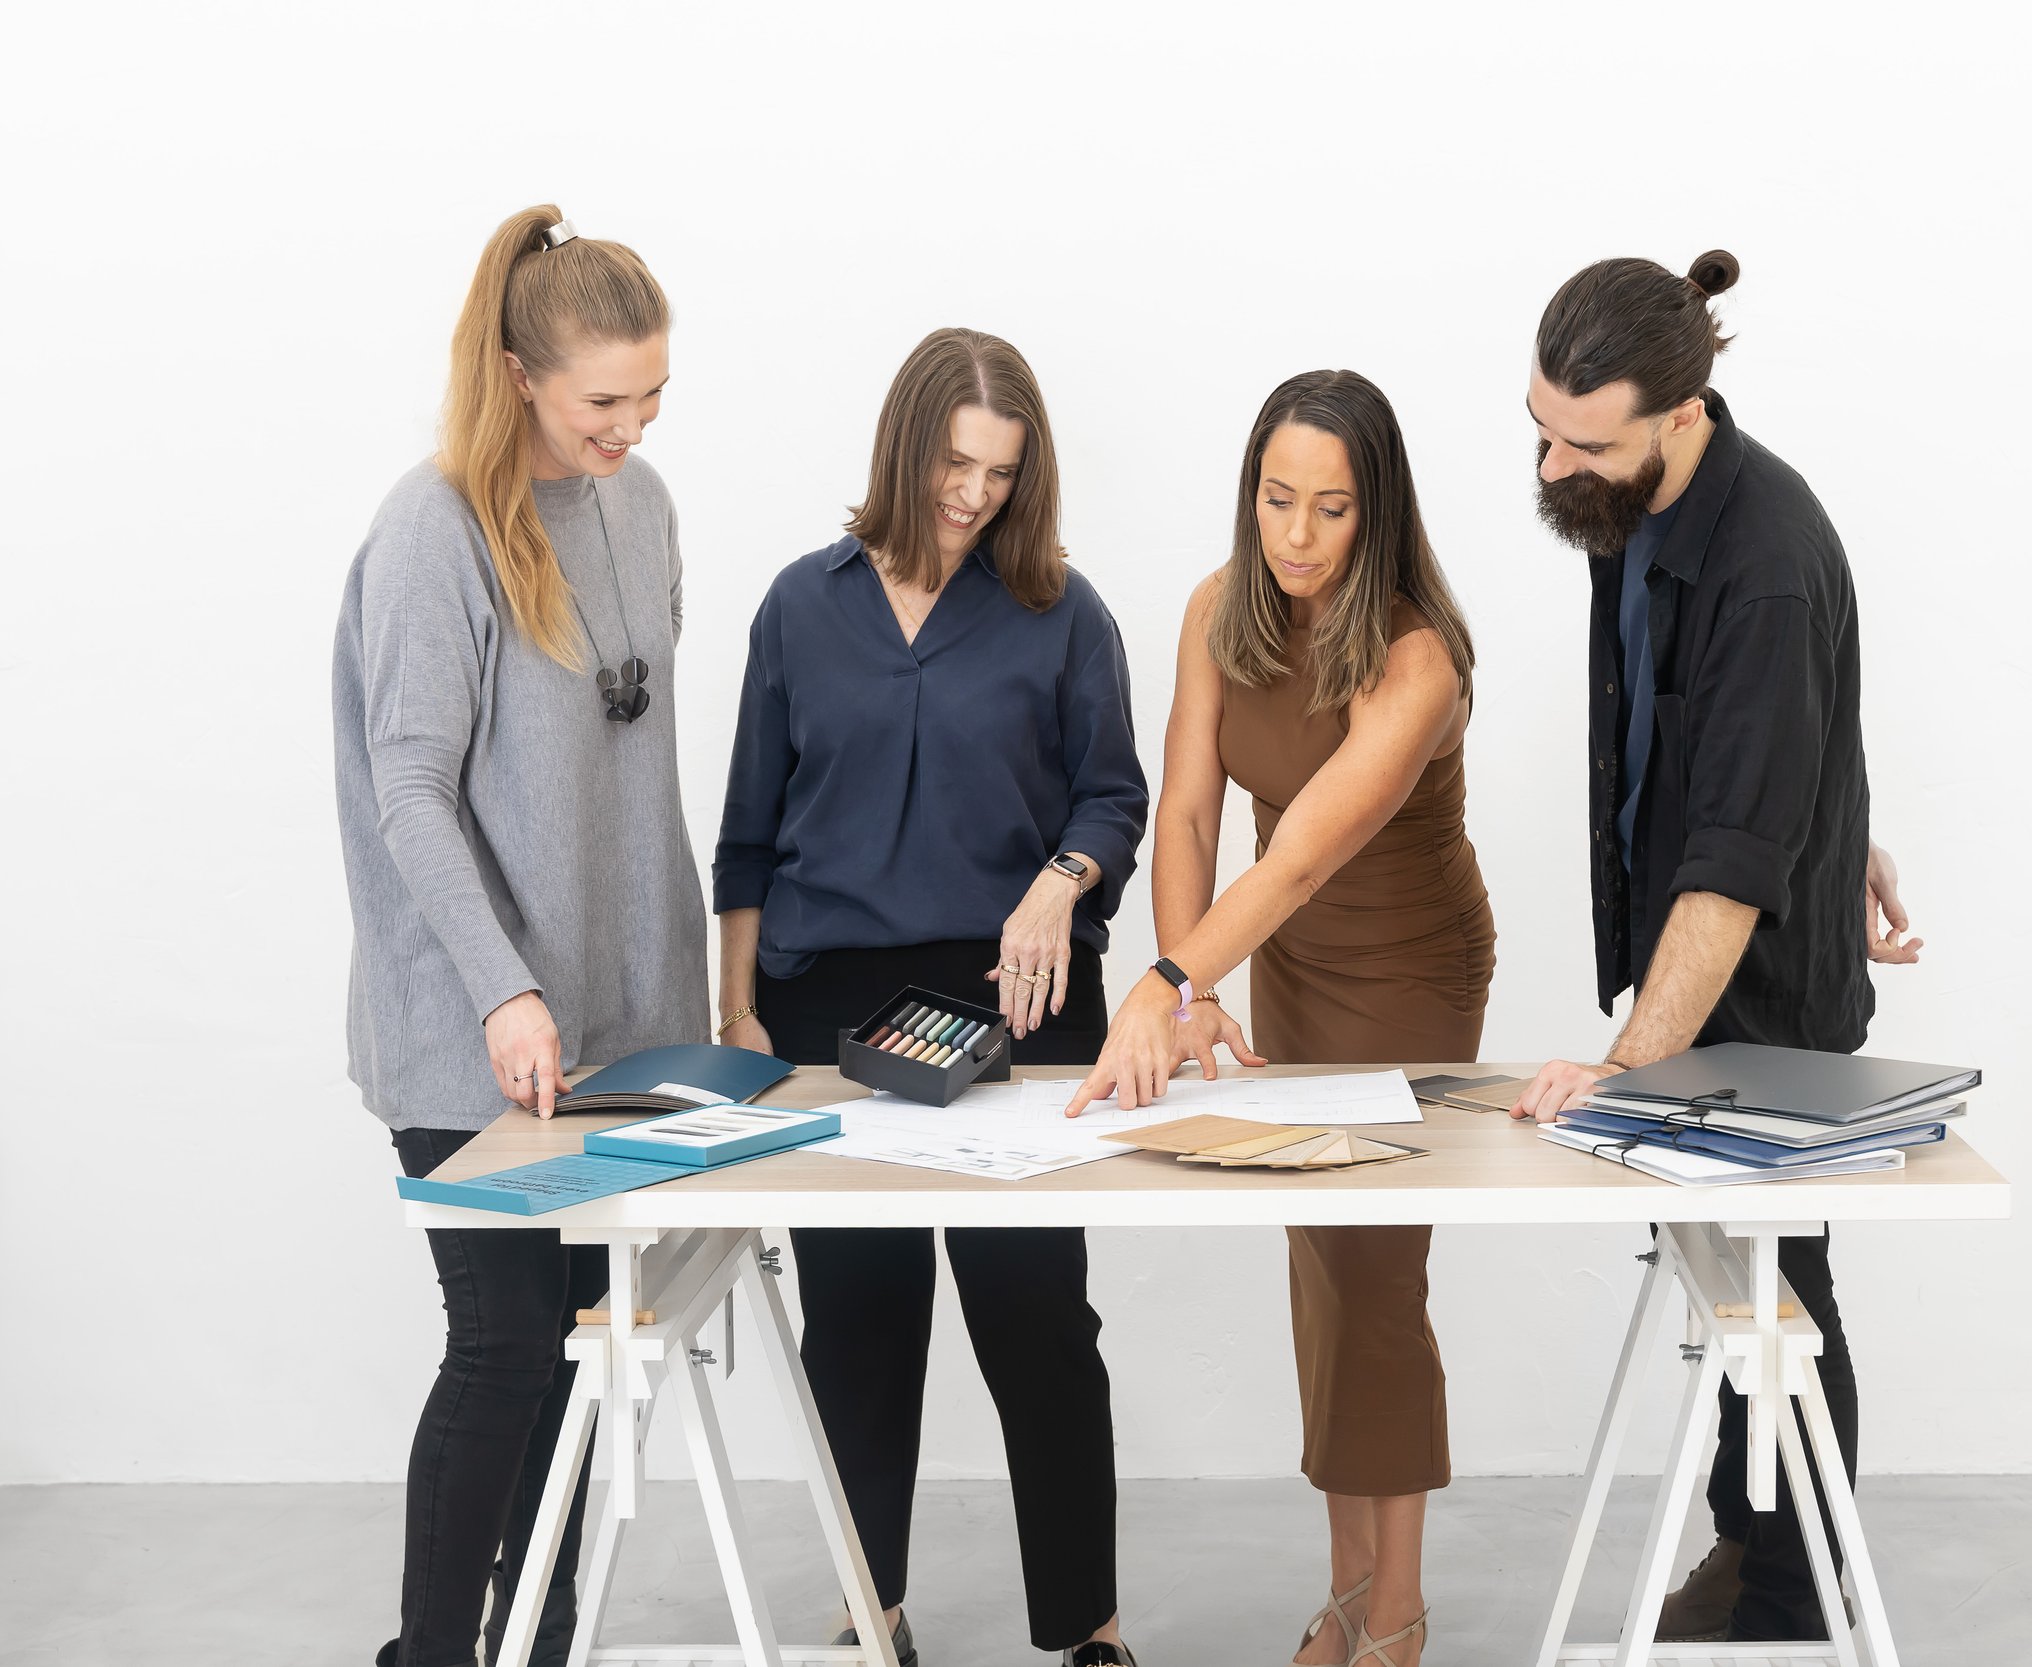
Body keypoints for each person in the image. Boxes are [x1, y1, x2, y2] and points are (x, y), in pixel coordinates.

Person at [712, 328, 1150, 1667]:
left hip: (1016, 1002)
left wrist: (1056, 884)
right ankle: (871, 1608)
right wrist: (733, 1013)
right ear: (908, 447)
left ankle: (1088, 1624)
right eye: (956, 463)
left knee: (1034, 1315)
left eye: (1002, 473)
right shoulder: (801, 606)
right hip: (827, 1011)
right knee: (857, 1314)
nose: (974, 494)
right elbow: (746, 833)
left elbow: (1113, 797)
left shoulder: (1063, 613)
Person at [1510, 252, 1924, 1646]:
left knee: (1774, 1288)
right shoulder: (1624, 506)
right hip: (1681, 958)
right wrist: (1847, 820)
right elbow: (1741, 742)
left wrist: (1622, 1070)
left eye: (1590, 442)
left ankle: (1799, 1589)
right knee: (1720, 1281)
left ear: (1685, 413)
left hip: (1759, 996)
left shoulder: (1766, 563)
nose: (1558, 466)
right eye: (1542, 430)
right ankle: (1756, 1556)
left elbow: (1739, 866)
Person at [1067, 370, 1492, 1667]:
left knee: (1379, 1272)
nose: (1297, 537)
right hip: (1285, 963)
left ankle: (1400, 1612)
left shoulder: (1418, 657)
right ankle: (1348, 1586)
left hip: (1411, 973)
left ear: (1379, 515)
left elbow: (1302, 850)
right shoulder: (1218, 608)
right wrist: (1190, 985)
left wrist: (1167, 984)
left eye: (1332, 510)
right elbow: (1190, 813)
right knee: (1318, 1265)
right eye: (1276, 501)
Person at [333, 205, 702, 1667]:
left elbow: (643, 768)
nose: (634, 424)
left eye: (654, 393)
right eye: (605, 399)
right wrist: (504, 991)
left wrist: (685, 1009)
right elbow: (408, 789)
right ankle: (431, 1656)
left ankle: (536, 1647)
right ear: (520, 374)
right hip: (470, 1035)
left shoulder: (647, 503)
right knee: (498, 1353)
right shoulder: (432, 532)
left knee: (567, 1367)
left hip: (613, 1034)